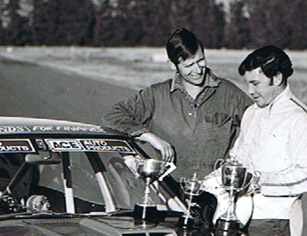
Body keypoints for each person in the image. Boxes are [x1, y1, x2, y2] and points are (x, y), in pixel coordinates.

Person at [102, 27, 252, 182]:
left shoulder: (229, 93)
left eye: (200, 61)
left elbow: (259, 124)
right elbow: (112, 116)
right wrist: (150, 137)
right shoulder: (155, 95)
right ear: (173, 65)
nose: (197, 70)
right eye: (188, 65)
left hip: (217, 189)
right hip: (169, 191)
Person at [218, 45, 307, 236]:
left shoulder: (299, 118)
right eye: (247, 84)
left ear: (277, 78)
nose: (250, 91)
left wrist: (259, 182)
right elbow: (237, 159)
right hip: (237, 215)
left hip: (275, 221)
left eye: (256, 84)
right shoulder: (251, 112)